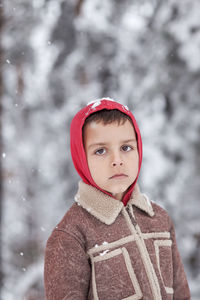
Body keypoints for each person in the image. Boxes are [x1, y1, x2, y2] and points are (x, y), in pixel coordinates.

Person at [44, 98, 191, 300]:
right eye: (101, 151)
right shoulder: (71, 235)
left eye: (126, 148)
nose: (117, 161)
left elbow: (181, 295)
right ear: (81, 157)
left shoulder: (159, 219)